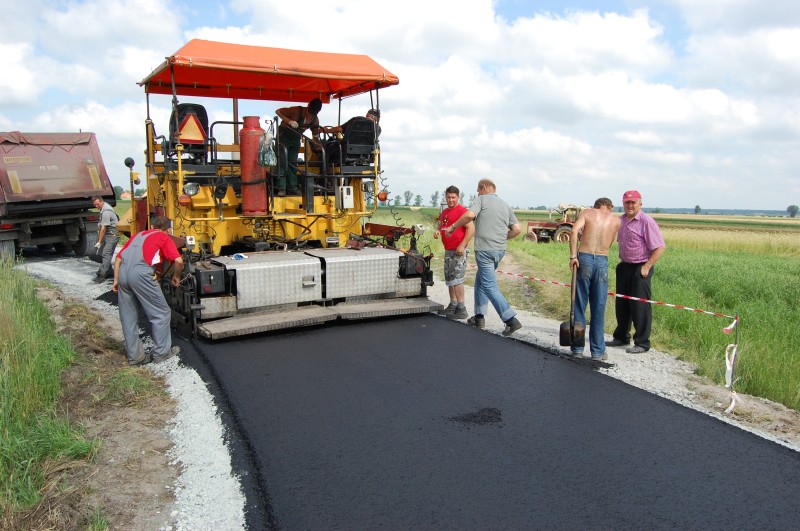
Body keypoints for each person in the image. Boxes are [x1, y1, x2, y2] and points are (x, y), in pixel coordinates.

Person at [446, 178, 522, 336]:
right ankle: (479, 317)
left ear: (483, 188)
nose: (477, 192)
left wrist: (453, 227)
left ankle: (510, 320)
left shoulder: (481, 199)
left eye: (478, 190)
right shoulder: (505, 204)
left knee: (489, 285)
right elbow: (517, 229)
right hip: (499, 250)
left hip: (485, 250)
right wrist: (501, 238)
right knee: (480, 281)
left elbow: (469, 215)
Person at [112, 216, 184, 366]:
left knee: (128, 317)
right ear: (169, 229)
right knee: (161, 313)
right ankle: (161, 353)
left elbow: (118, 258)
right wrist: (176, 276)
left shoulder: (138, 235)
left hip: (123, 272)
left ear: (151, 226)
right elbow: (178, 261)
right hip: (141, 273)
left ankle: (136, 358)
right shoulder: (163, 237)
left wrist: (116, 280)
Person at [608, 190, 666, 354]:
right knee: (622, 304)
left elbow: (660, 247)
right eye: (627, 202)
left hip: (641, 267)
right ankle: (621, 337)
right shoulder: (621, 221)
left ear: (640, 203)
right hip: (624, 266)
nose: (630, 205)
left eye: (633, 202)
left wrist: (647, 267)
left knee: (639, 305)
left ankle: (642, 342)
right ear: (623, 203)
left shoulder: (646, 222)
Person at [568, 197, 621, 360]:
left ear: (596, 206)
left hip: (583, 257)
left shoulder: (588, 213)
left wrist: (572, 256)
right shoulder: (616, 220)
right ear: (610, 207)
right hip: (602, 260)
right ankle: (597, 351)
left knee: (579, 302)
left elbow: (573, 231)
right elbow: (612, 240)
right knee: (598, 305)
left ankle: (577, 348)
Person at [433, 185, 474, 320]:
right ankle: (453, 304)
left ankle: (461, 308)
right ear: (445, 197)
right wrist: (438, 230)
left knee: (457, 279)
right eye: (449, 197)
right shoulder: (445, 211)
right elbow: (441, 223)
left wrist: (462, 245)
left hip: (458, 250)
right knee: (450, 279)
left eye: (453, 197)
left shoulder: (462, 211)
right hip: (448, 249)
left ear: (458, 197)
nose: (451, 200)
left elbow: (471, 229)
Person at [275, 98, 324, 195]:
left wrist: (317, 144)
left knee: (293, 163)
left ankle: (292, 188)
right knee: (282, 161)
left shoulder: (315, 120)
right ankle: (281, 188)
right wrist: (289, 121)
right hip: (283, 137)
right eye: (309, 113)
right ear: (308, 106)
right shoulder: (295, 110)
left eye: (312, 114)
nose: (309, 116)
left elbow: (315, 136)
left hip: (295, 140)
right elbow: (278, 111)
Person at [92, 195, 119, 283]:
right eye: (95, 205)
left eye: (97, 204)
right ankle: (109, 271)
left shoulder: (106, 211)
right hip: (107, 232)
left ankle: (102, 275)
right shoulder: (103, 208)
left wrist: (99, 242)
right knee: (100, 253)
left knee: (106, 253)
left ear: (101, 201)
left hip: (112, 234)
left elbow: (103, 228)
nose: (96, 207)